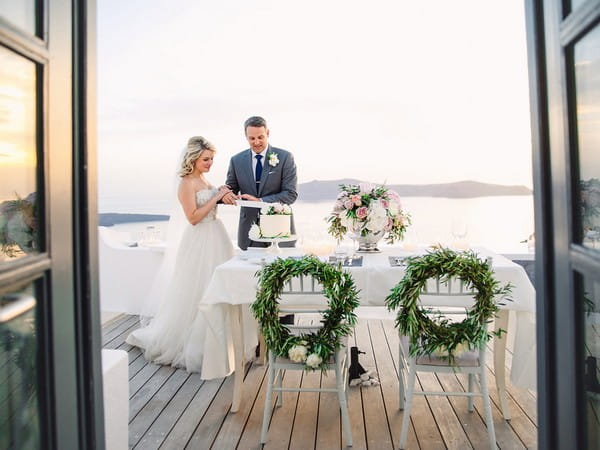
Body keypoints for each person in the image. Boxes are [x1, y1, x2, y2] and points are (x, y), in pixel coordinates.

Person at [126, 136, 234, 373]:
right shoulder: (186, 183)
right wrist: (216, 196)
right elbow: (193, 217)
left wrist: (223, 193)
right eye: (206, 159)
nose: (210, 163)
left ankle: (218, 342)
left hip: (217, 236)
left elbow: (212, 203)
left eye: (212, 159)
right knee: (197, 289)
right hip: (200, 240)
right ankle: (194, 343)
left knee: (215, 287)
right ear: (194, 158)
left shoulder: (203, 179)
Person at [222, 116, 298, 250]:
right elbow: (232, 190)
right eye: (252, 138)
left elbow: (290, 194)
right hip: (249, 232)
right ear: (246, 137)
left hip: (279, 233)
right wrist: (225, 193)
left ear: (267, 133)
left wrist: (260, 201)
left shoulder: (285, 157)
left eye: (260, 137)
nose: (256, 142)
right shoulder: (236, 160)